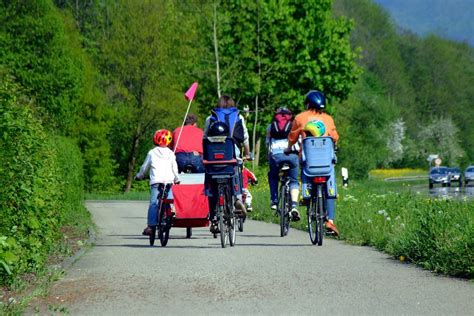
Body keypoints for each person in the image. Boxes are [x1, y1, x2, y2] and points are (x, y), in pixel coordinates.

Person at [286, 90, 340, 235]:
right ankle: (330, 221)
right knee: (330, 187)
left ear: (308, 103)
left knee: (304, 171)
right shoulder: (328, 119)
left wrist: (289, 148)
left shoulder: (300, 118)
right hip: (326, 165)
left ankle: (307, 196)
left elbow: (292, 137)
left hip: (309, 163)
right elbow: (335, 137)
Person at [203, 95, 251, 232]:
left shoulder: (210, 118)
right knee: (235, 171)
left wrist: (204, 155)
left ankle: (213, 219)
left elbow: (205, 138)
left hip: (213, 157)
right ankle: (236, 198)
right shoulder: (239, 117)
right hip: (232, 154)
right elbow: (245, 138)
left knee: (212, 185)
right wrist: (247, 154)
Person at [135, 129, 180, 236]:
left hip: (156, 182)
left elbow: (145, 167)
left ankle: (151, 226)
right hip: (168, 182)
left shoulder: (152, 152)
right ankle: (172, 211)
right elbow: (174, 167)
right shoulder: (171, 153)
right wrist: (176, 178)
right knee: (169, 199)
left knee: (154, 204)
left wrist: (139, 176)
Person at [266, 107, 301, 221]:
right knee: (294, 181)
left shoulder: (270, 127)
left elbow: (268, 145)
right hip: (292, 156)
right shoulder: (294, 126)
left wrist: (269, 158)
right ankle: (294, 206)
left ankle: (274, 201)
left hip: (276, 157)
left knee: (272, 175)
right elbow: (299, 143)